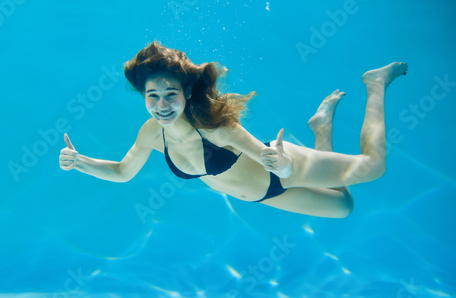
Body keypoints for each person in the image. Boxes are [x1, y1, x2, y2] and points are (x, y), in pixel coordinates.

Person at [59, 41, 408, 218]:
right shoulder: (151, 132)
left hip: (280, 171)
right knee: (344, 206)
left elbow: (269, 158)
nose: (161, 105)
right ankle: (321, 128)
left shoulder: (215, 127)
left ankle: (376, 84)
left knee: (374, 167)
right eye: (152, 96)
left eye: (170, 95)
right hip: (264, 195)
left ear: (185, 93)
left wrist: (283, 164)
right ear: (144, 97)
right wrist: (80, 162)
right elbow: (122, 172)